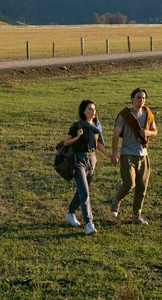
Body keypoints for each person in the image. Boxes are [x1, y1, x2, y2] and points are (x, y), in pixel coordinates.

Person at [64, 99, 112, 235]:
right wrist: (77, 137)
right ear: (84, 111)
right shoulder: (77, 125)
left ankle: (71, 213)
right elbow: (66, 142)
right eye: (90, 109)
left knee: (82, 190)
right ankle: (89, 223)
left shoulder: (96, 126)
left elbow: (98, 145)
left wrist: (110, 156)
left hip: (92, 159)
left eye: (94, 109)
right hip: (78, 159)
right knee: (85, 191)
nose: (93, 111)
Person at [110, 87, 157, 225]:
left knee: (142, 187)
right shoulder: (125, 115)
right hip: (127, 153)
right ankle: (116, 200)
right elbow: (116, 134)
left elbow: (155, 131)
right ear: (132, 99)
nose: (141, 100)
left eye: (143, 98)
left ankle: (136, 216)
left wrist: (149, 133)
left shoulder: (148, 113)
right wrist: (114, 153)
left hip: (143, 154)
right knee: (129, 184)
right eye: (138, 97)